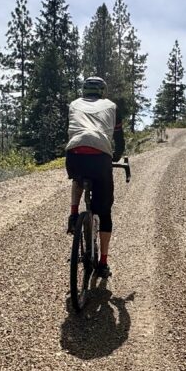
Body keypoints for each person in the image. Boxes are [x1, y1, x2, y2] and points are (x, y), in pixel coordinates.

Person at [65, 77, 125, 279]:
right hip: (100, 157)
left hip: (74, 153)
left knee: (77, 178)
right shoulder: (112, 106)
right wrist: (116, 155)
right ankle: (103, 263)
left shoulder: (74, 104)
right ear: (102, 91)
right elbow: (119, 138)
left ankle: (74, 215)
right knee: (105, 212)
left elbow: (74, 128)